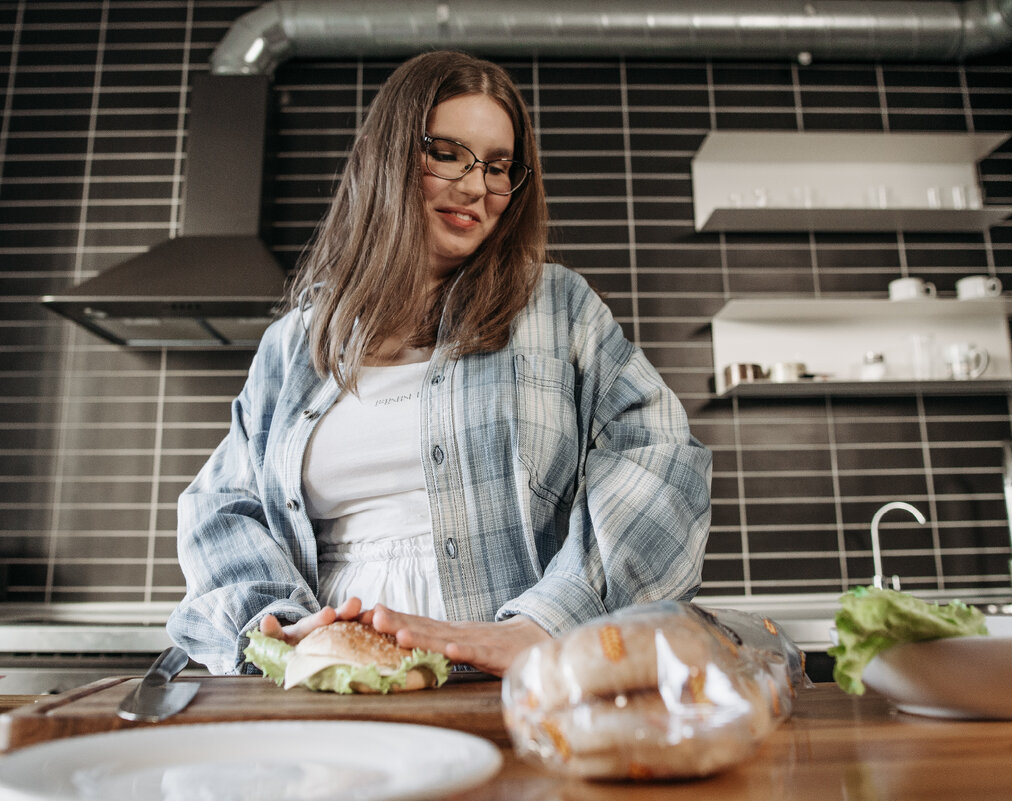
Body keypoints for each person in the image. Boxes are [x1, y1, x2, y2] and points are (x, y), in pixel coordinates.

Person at [166, 50, 712, 677]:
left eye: (499, 167)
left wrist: (545, 623)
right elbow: (223, 504)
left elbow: (663, 457)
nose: (478, 187)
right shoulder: (294, 345)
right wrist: (274, 627)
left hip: (510, 681)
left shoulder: (557, 309)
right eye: (448, 154)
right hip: (334, 684)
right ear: (389, 158)